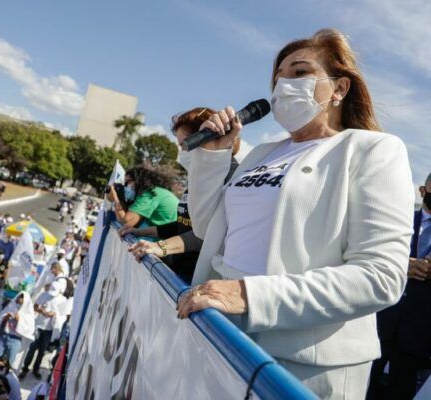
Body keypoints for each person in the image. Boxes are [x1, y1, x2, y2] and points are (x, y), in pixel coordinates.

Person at [176, 29, 413, 398]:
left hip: (304, 362)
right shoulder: (261, 154)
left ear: (339, 88)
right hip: (226, 332)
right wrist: (212, 155)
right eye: (279, 76)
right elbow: (209, 229)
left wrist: (251, 295)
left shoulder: (373, 149)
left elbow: (381, 276)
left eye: (300, 72)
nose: (285, 84)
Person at [123, 107, 242, 283]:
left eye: (185, 144)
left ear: (208, 135)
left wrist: (162, 247)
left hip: (199, 280)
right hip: (179, 271)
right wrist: (139, 231)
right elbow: (183, 225)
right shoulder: (198, 178)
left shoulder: (231, 177)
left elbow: (207, 235)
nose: (182, 152)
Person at [368, 172, 431, 398]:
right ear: (422, 191)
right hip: (380, 321)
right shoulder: (398, 223)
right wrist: (403, 264)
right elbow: (373, 254)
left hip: (419, 333)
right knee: (363, 387)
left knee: (401, 391)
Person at [19, 280, 67, 379]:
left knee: (42, 350)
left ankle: (36, 369)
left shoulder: (62, 300)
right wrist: (42, 311)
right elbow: (35, 306)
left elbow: (63, 315)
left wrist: (54, 314)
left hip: (49, 329)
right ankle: (25, 368)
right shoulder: (44, 295)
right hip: (39, 326)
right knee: (32, 348)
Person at [108, 165, 179, 230]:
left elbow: (126, 223)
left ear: (138, 180)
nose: (126, 186)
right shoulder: (157, 191)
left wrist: (116, 198)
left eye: (128, 182)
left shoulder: (150, 194)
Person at [0, 292, 35, 367]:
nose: (19, 299)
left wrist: (19, 320)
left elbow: (29, 330)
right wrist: (6, 317)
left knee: (9, 363)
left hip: (15, 340)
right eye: (19, 297)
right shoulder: (11, 307)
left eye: (21, 298)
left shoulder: (28, 315)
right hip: (4, 336)